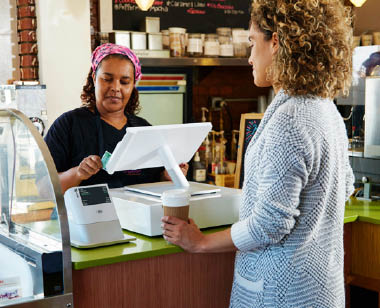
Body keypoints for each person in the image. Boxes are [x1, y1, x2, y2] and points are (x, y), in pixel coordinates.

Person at [161, 0, 355, 307]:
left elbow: (270, 224)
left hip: (281, 294)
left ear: (275, 42)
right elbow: (344, 188)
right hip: (321, 289)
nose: (250, 57)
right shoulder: (326, 109)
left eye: (252, 42)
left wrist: (200, 243)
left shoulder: (290, 119)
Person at [45, 43, 188, 193]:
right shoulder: (68, 125)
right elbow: (44, 188)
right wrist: (78, 173)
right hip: (83, 215)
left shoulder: (144, 130)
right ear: (94, 78)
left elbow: (153, 184)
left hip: (135, 214)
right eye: (107, 79)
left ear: (133, 85)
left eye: (125, 82)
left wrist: (167, 177)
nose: (115, 87)